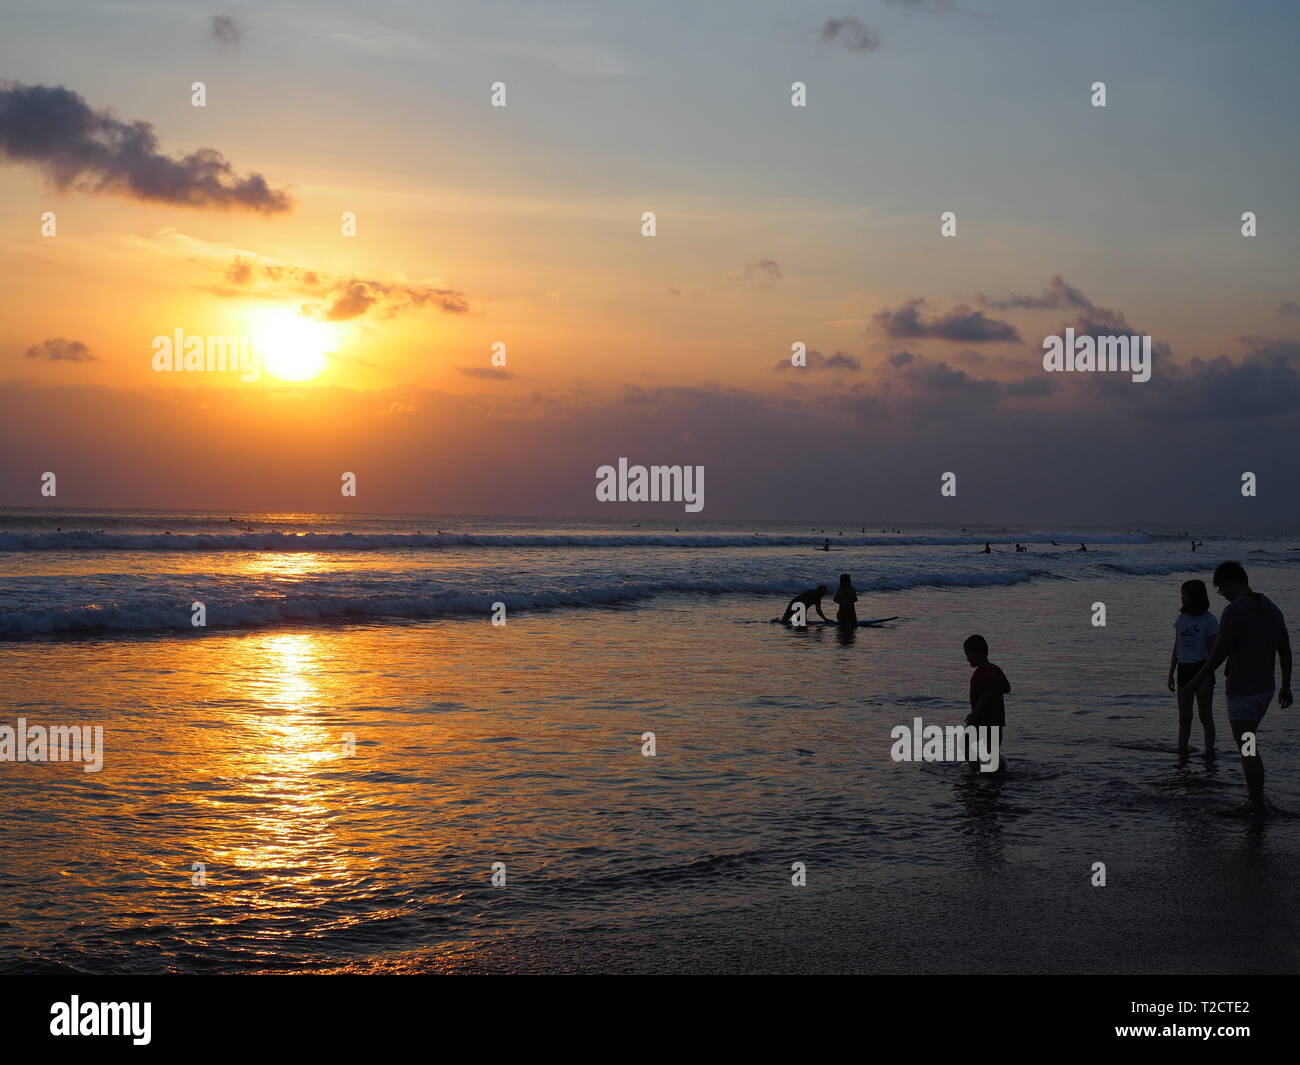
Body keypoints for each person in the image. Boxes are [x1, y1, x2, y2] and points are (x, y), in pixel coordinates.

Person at [1181, 561, 1292, 813]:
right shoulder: (1272, 608)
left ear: (1231, 582)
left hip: (1244, 691)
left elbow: (1219, 653)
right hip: (1266, 689)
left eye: (1222, 589)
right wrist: (1286, 685)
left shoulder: (1235, 611)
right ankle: (1257, 798)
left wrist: (1194, 683)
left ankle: (1256, 801)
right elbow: (1284, 651)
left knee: (1248, 747)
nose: (1223, 595)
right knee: (1249, 743)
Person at [1167, 579, 1218, 760]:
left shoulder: (1210, 620)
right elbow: (1177, 647)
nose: (1181, 598)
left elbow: (1213, 652)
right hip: (1184, 669)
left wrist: (1207, 674)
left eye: (1184, 595)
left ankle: (1209, 752)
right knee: (1184, 717)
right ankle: (1182, 750)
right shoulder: (1182, 618)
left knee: (1205, 715)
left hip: (1202, 668)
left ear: (1194, 597)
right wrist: (1171, 672)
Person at [963, 634, 1010, 773]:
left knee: (965, 743)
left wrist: (975, 713)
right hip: (996, 721)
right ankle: (992, 775)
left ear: (977, 652)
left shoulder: (982, 671)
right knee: (991, 752)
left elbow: (987, 693)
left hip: (983, 720)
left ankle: (975, 771)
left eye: (968, 654)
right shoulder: (995, 669)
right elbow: (1007, 689)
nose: (967, 659)